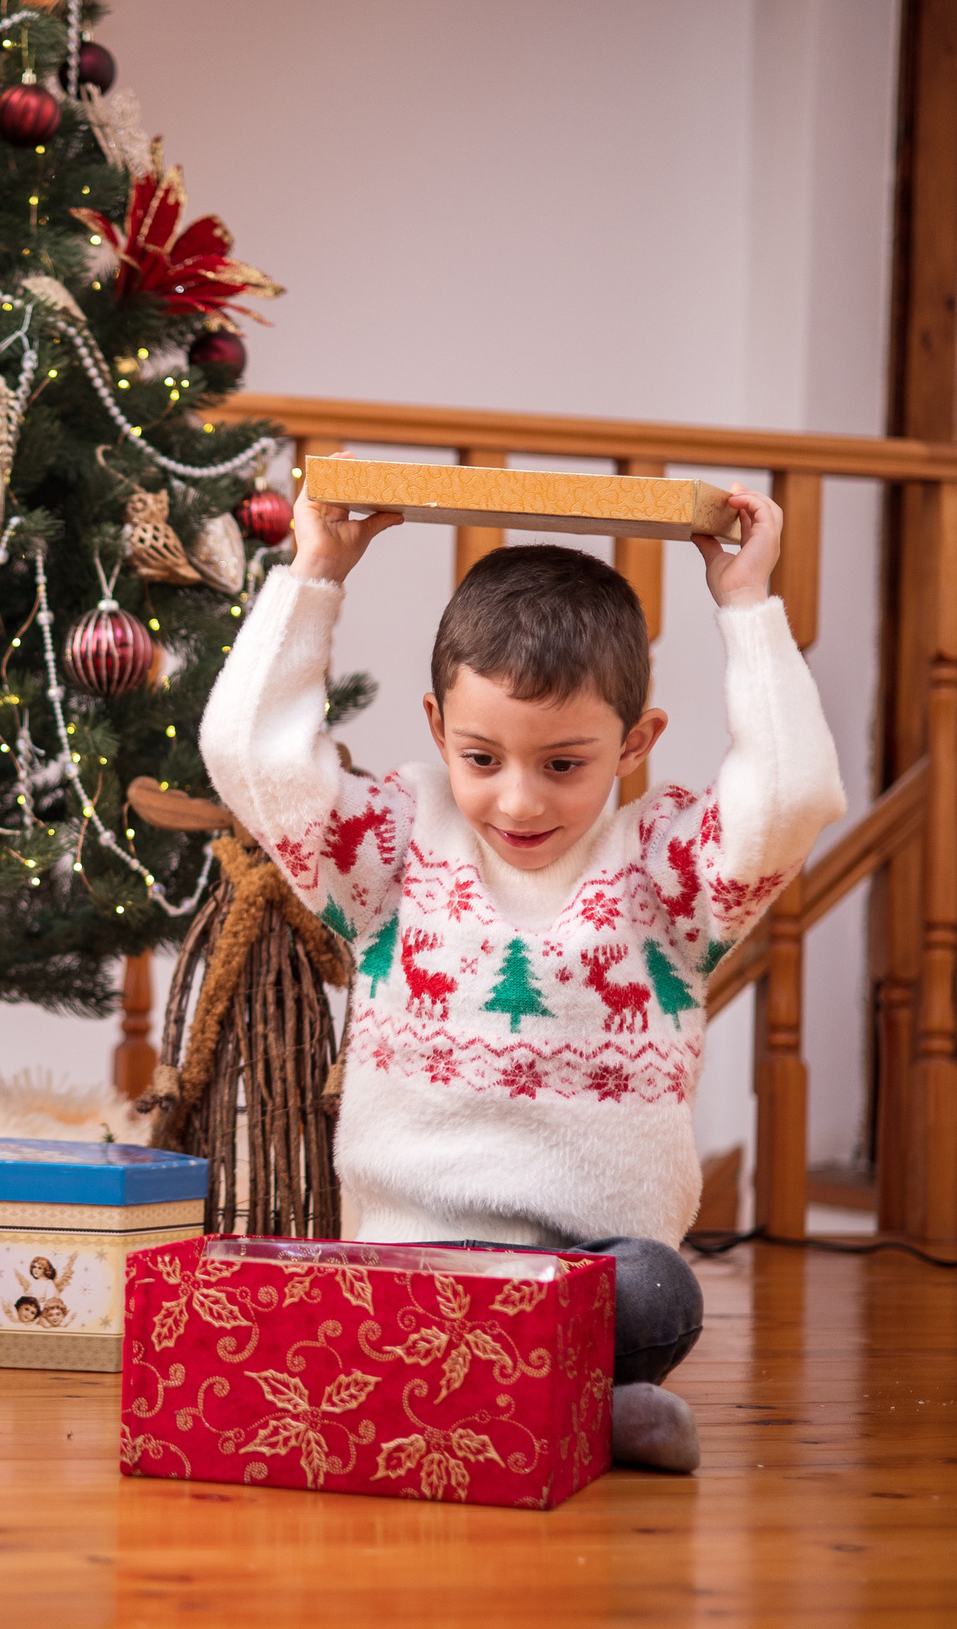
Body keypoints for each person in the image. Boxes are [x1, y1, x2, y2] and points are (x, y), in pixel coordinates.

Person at [200, 480, 844, 1473]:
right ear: (434, 728)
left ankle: (516, 1398)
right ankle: (567, 1410)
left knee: (659, 1292)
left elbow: (792, 795)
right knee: (379, 1299)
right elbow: (246, 755)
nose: (516, 798)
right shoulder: (392, 839)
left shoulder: (670, 868)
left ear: (634, 744)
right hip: (414, 1262)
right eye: (481, 756)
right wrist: (314, 576)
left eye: (563, 764)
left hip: (584, 1277)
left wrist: (746, 608)